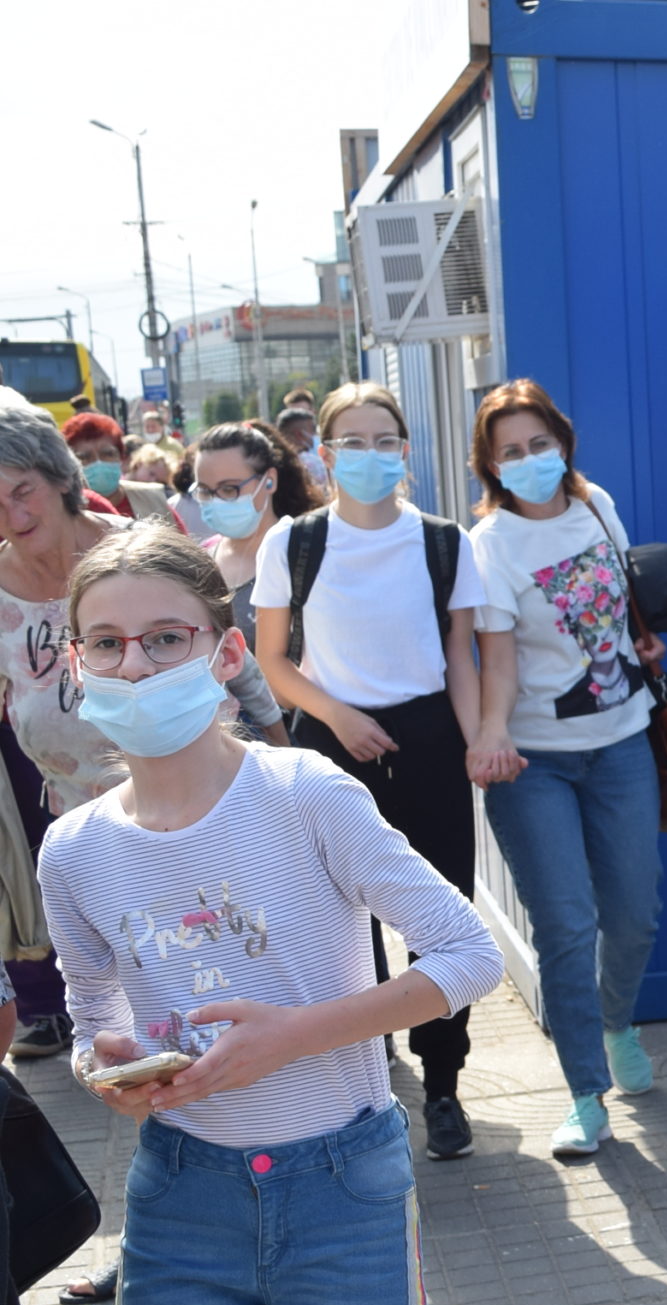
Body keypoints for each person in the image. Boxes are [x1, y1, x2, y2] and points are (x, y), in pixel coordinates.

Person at [46, 527, 500, 1305]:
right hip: (181, 1211)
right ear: (76, 668)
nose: (136, 666)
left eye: (165, 638)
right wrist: (114, 1060)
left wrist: (291, 1034)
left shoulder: (303, 791)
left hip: (340, 1195)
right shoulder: (76, 849)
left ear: (227, 648)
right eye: (108, 644)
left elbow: (467, 952)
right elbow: (94, 998)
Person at [0, 401, 291, 1080]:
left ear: (59, 477)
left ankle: (283, 1071)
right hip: (94, 834)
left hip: (212, 803)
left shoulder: (143, 549)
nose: (12, 514)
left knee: (245, 955)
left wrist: (284, 758)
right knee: (150, 991)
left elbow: (238, 663)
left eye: (23, 490)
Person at [252, 382, 488, 1163]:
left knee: (438, 910)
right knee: (336, 915)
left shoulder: (444, 540)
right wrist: (340, 717)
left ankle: (444, 1082)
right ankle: (363, 1070)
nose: (367, 453)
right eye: (349, 440)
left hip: (425, 736)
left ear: (405, 449)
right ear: (323, 451)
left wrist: (473, 737)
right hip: (329, 734)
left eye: (383, 438)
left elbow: (461, 655)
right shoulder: (295, 542)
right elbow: (272, 660)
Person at [466, 379, 667, 1160]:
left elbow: (622, 611)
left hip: (622, 739)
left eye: (538, 444)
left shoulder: (597, 507)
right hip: (534, 757)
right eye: (510, 451)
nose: (528, 460)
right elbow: (500, 659)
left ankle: (616, 1022)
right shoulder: (491, 544)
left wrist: (644, 643)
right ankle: (586, 1092)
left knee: (635, 911)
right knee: (565, 922)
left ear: (563, 443)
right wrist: (489, 737)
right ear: (490, 464)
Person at [191, 419, 320, 639]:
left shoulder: (304, 553)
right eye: (205, 491)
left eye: (229, 489)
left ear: (269, 481)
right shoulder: (199, 560)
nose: (216, 501)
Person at [276, 405, 330, 499]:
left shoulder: (271, 464)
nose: (315, 435)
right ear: (299, 434)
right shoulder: (313, 464)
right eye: (312, 430)